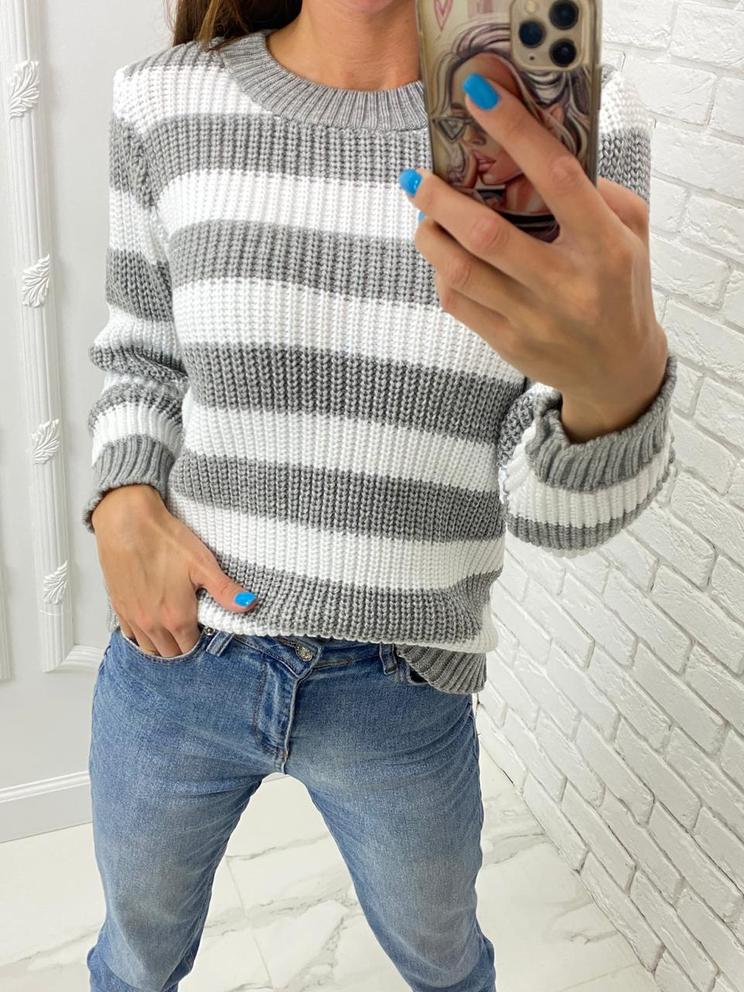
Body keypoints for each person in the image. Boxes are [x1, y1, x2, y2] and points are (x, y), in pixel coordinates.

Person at [83, 0, 677, 989]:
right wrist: (122, 498)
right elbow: (142, 357)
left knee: (448, 966)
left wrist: (616, 393)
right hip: (180, 655)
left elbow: (546, 509)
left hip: (405, 684)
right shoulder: (162, 100)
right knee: (132, 964)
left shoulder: (571, 123)